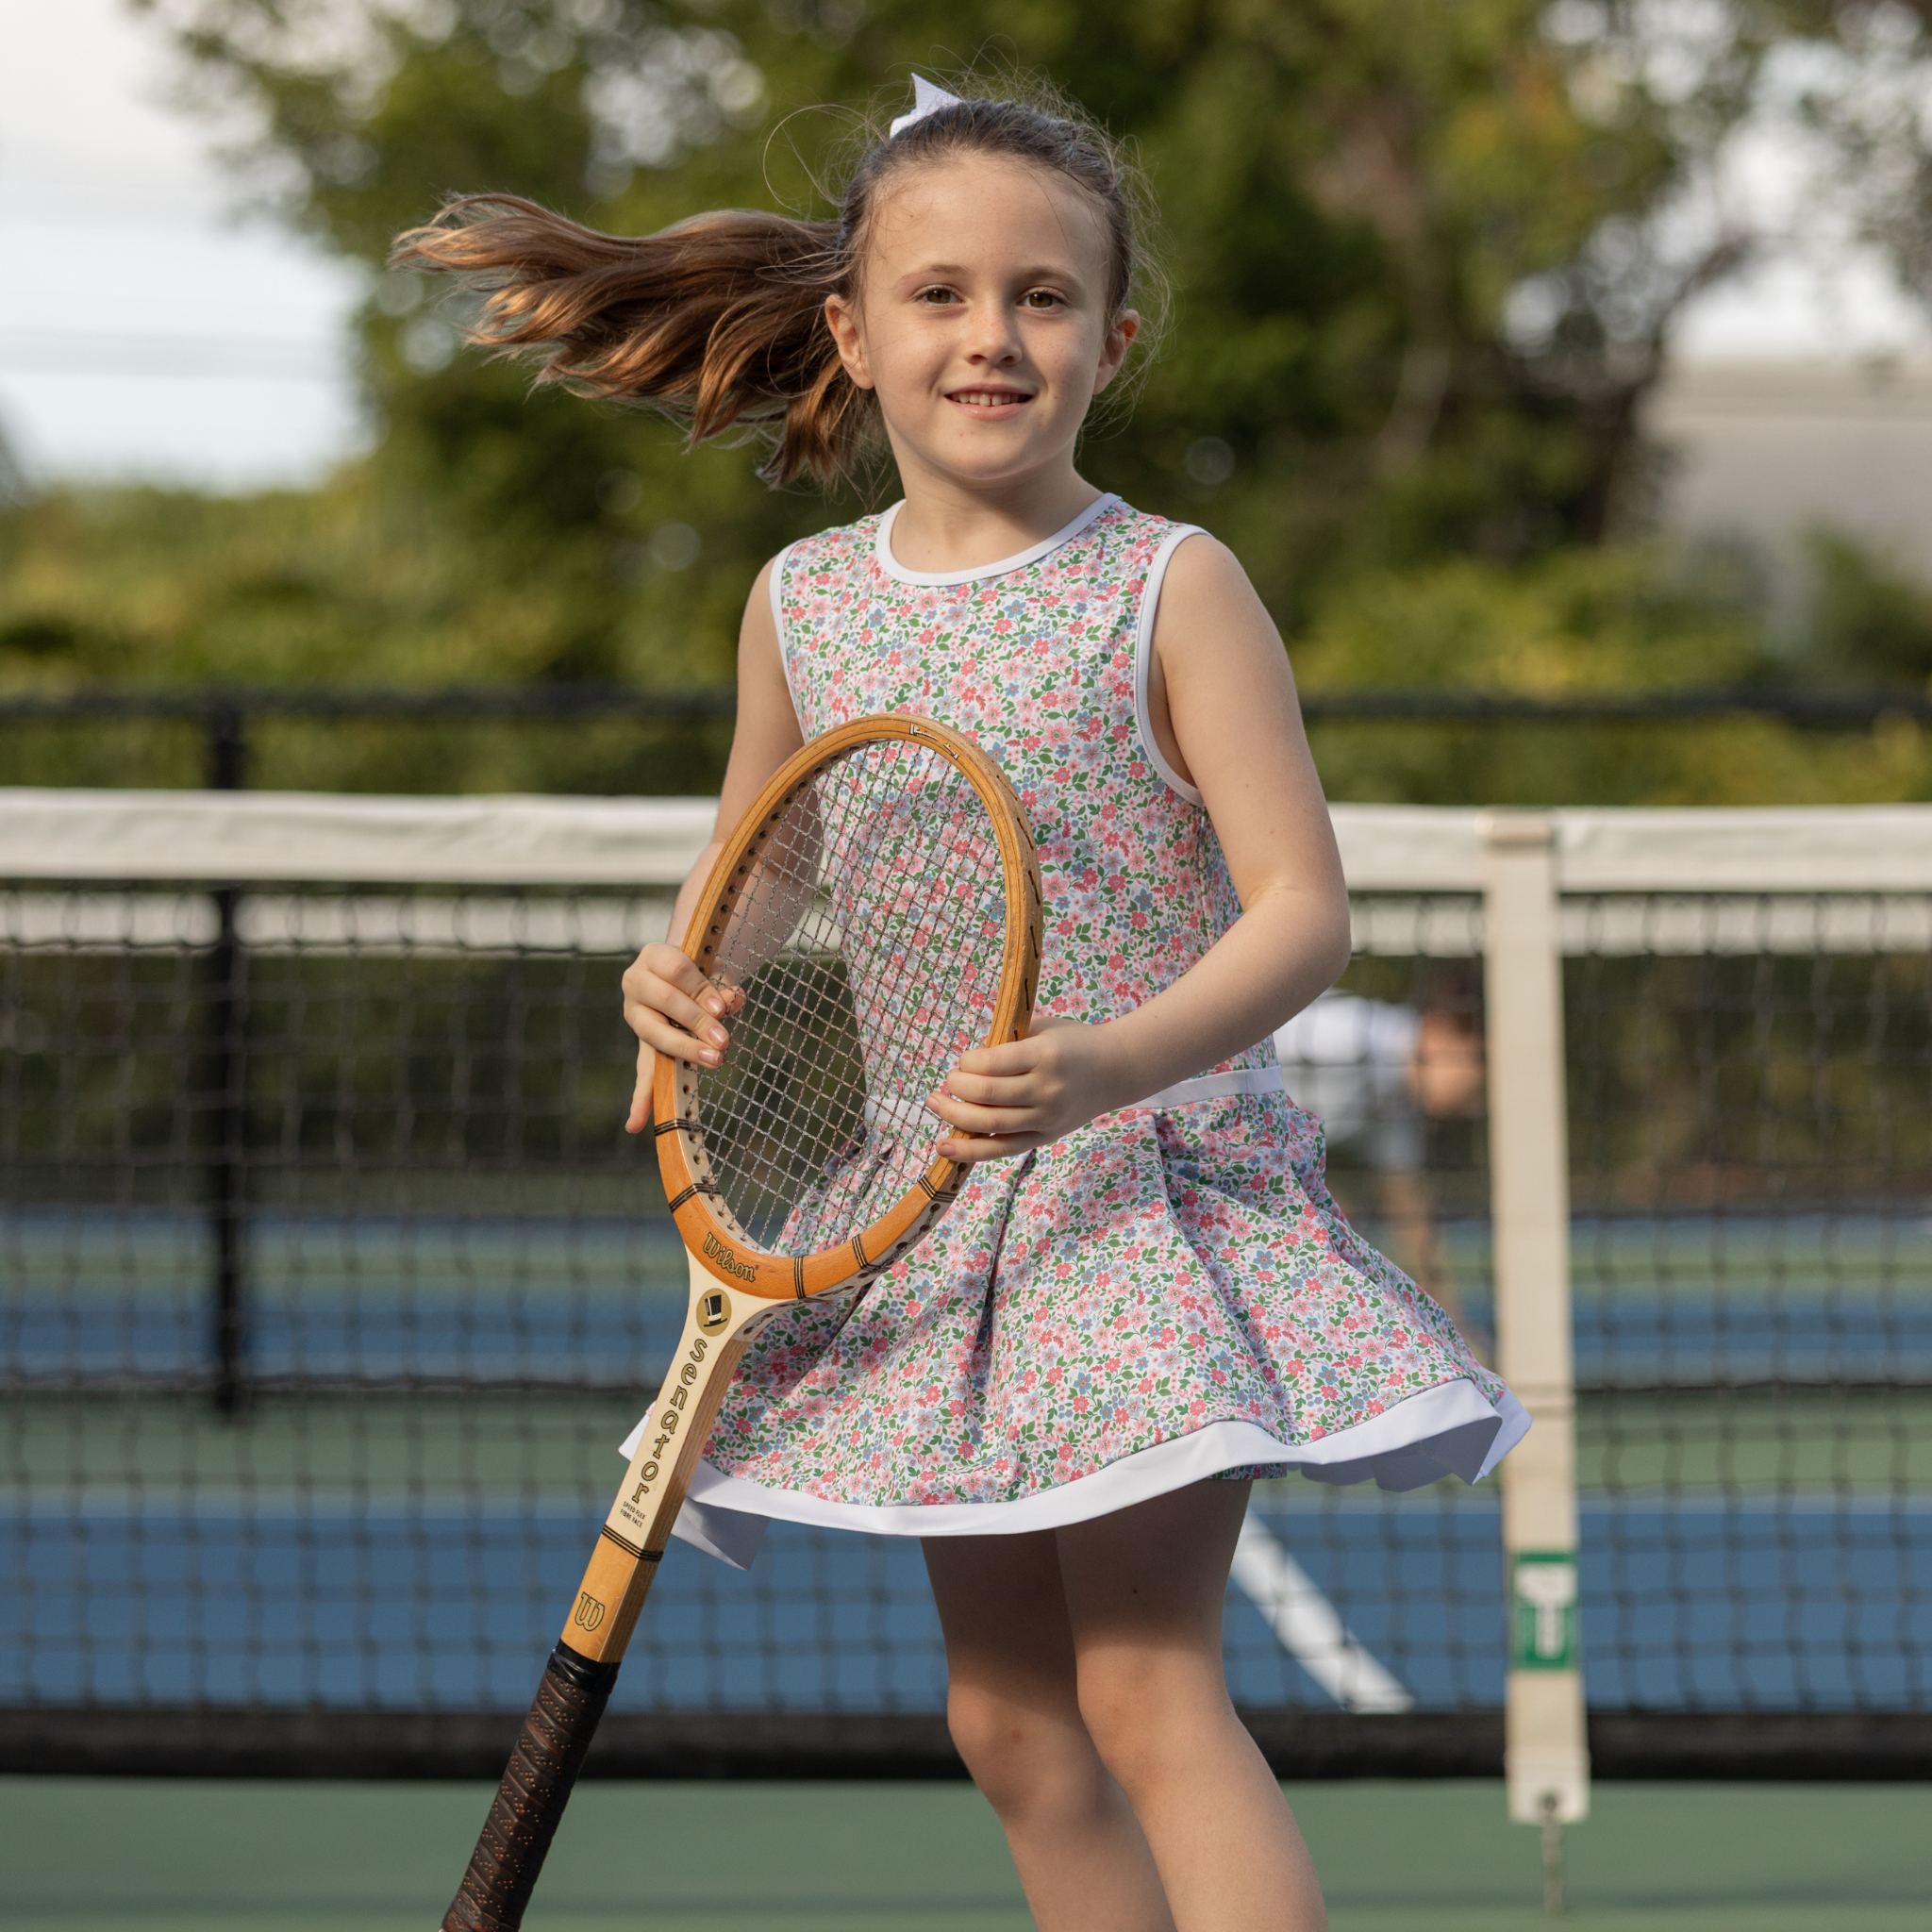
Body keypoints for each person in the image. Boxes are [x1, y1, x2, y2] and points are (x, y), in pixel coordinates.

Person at [396, 73, 1524, 1932]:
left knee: (1139, 1686)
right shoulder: (802, 602)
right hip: (919, 1208)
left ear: (1112, 338)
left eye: (1042, 297)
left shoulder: (1174, 583)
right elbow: (769, 854)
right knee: (1003, 1718)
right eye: (939, 294)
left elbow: (1303, 913)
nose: (990, 335)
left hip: (1139, 1194)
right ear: (852, 327)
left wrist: (1109, 1063)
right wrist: (686, 972)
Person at [1274, 985, 1492, 1357]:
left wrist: (1456, 1333)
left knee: (1340, 1223)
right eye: (1478, 1065)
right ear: (1442, 1033)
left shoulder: (1399, 1098)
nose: (1473, 1102)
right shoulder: (1340, 1037)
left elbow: (1412, 1217)